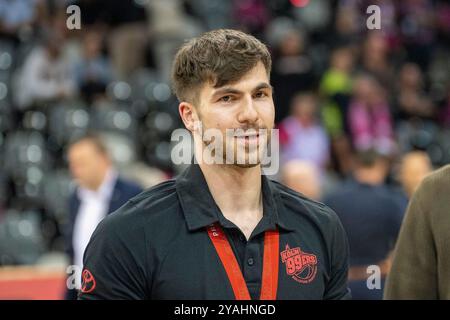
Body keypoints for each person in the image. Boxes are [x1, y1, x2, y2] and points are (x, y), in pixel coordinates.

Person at [78, 29, 350, 300]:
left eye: (260, 95)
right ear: (190, 116)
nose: (250, 114)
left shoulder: (321, 227)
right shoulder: (127, 236)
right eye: (227, 98)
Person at [65, 133, 142, 300]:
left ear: (103, 159)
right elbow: (73, 254)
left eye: (82, 163)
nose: (75, 170)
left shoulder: (132, 194)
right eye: (73, 164)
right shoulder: (75, 198)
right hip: (82, 291)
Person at [323, 150, 404, 299]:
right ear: (382, 167)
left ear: (356, 165)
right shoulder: (392, 201)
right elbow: (406, 244)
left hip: (339, 283)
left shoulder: (331, 199)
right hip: (375, 280)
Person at [384, 164, 450, 299]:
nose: (417, 177)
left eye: (420, 171)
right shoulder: (435, 191)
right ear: (401, 176)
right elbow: (407, 290)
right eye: (413, 172)